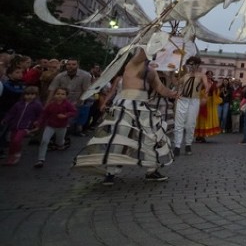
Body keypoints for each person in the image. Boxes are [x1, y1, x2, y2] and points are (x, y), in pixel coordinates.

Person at [74, 48, 179, 184]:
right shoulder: (133, 64)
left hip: (143, 106)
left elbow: (160, 89)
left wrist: (173, 93)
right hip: (126, 104)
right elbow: (143, 51)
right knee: (121, 138)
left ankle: (151, 170)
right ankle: (111, 172)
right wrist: (154, 36)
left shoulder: (152, 71)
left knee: (151, 137)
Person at [172, 55, 209, 156]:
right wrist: (171, 74)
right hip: (182, 100)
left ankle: (188, 144)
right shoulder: (185, 75)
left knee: (190, 124)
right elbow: (176, 84)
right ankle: (177, 146)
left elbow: (206, 86)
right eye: (189, 64)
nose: (191, 67)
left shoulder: (201, 75)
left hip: (194, 101)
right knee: (179, 124)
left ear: (197, 65)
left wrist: (205, 96)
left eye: (193, 64)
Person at [47, 59, 92, 136]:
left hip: (76, 100)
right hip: (61, 100)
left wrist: (78, 102)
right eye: (69, 64)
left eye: (73, 64)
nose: (71, 66)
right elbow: (52, 89)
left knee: (69, 121)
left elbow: (85, 90)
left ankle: (63, 139)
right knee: (57, 119)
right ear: (66, 65)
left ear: (77, 65)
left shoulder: (86, 76)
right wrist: (48, 103)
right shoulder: (60, 76)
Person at [34, 87, 76, 168]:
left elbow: (73, 112)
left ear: (66, 96)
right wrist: (39, 123)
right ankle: (41, 159)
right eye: (58, 94)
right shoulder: (51, 105)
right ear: (54, 95)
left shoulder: (67, 104)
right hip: (50, 126)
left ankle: (62, 144)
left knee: (59, 141)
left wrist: (65, 115)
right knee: (44, 141)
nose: (60, 96)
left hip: (61, 126)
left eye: (63, 94)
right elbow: (44, 115)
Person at [1, 86, 42, 165]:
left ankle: (16, 154)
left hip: (26, 126)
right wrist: (6, 119)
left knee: (17, 140)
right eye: (27, 94)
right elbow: (11, 113)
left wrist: (37, 122)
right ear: (24, 95)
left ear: (36, 95)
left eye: (32, 94)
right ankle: (11, 155)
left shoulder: (37, 105)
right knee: (12, 141)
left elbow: (40, 115)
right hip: (15, 125)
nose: (30, 96)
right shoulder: (18, 104)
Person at [194, 71, 221, 143]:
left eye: (211, 75)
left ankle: (203, 135)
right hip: (202, 102)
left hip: (210, 103)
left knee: (207, 119)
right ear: (205, 75)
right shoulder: (201, 83)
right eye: (208, 75)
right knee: (201, 119)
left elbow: (217, 93)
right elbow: (197, 90)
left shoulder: (213, 84)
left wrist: (216, 89)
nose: (209, 76)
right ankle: (198, 135)